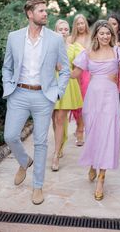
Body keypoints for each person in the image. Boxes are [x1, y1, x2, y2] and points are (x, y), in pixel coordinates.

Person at [2, 0, 70, 205]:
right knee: (10, 136)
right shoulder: (14, 37)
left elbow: (65, 69)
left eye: (45, 10)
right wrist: (8, 86)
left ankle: (37, 187)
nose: (45, 14)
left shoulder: (55, 39)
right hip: (18, 94)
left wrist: (57, 92)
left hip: (44, 96)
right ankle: (24, 161)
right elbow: (7, 66)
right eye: (40, 11)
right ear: (30, 14)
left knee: (41, 142)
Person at [71, 20, 120, 201]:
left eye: (108, 33)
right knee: (93, 134)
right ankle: (92, 162)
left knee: (108, 135)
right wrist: (57, 68)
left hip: (110, 99)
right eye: (102, 33)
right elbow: (75, 73)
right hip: (92, 99)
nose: (105, 36)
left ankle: (101, 178)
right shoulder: (88, 53)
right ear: (96, 35)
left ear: (112, 35)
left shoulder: (118, 52)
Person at [51, 19, 83, 171]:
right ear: (55, 31)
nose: (63, 31)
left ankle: (56, 154)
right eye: (60, 29)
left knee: (60, 118)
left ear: (69, 31)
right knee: (54, 119)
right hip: (51, 85)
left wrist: (69, 73)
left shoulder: (74, 48)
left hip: (67, 86)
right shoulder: (49, 48)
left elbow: (80, 67)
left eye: (66, 29)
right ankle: (61, 142)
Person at [67, 14, 91, 146]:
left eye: (82, 23)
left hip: (88, 75)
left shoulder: (91, 38)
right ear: (75, 25)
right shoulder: (71, 39)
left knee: (87, 103)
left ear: (86, 24)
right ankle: (79, 128)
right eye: (78, 23)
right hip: (75, 75)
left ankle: (84, 129)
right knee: (77, 103)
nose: (81, 26)